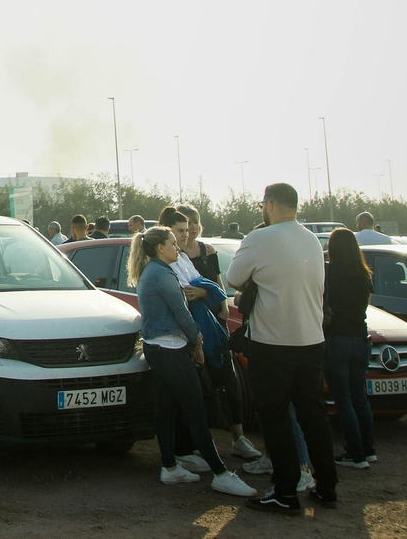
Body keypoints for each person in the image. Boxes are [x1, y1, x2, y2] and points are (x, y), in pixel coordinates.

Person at [225, 183, 339, 513]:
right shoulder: (311, 239)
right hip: (311, 340)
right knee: (313, 416)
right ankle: (327, 486)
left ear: (270, 204)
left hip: (272, 343)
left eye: (263, 203)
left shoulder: (260, 238)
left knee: (274, 418)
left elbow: (233, 277)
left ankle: (285, 491)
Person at [131, 227, 257, 497]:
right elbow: (182, 314)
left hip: (160, 349)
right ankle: (221, 473)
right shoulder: (162, 274)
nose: (178, 248)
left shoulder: (152, 272)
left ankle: (170, 466)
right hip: (171, 350)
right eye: (173, 243)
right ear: (160, 248)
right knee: (195, 410)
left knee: (166, 409)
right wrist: (197, 343)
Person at [177, 204, 262, 462]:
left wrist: (223, 307)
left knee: (229, 382)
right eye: (186, 223)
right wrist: (205, 293)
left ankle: (239, 438)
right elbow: (189, 292)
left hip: (217, 322)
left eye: (194, 222)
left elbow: (218, 282)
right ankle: (203, 444)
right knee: (201, 387)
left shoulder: (208, 250)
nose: (191, 227)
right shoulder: (175, 254)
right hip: (192, 327)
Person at [324, 228, 375, 469]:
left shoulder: (330, 271)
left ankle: (355, 453)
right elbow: (364, 306)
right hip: (361, 338)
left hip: (337, 339)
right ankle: (368, 448)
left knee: (342, 398)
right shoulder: (364, 274)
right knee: (359, 397)